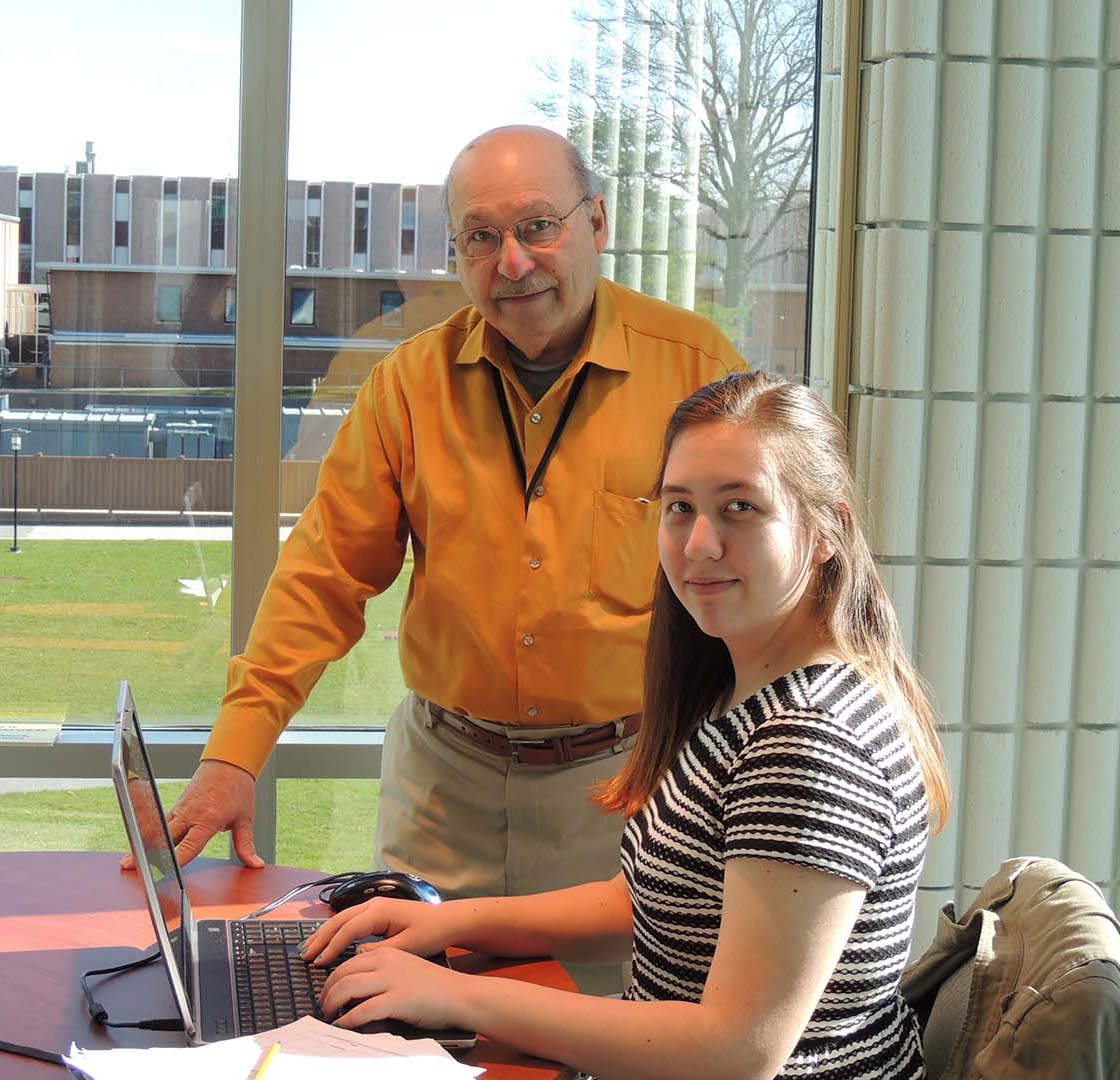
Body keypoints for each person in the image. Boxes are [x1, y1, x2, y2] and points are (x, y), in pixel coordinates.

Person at [134, 126, 746, 916]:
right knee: (408, 1025)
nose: (512, 262)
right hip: (442, 791)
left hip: (629, 788)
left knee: (596, 1030)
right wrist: (233, 757)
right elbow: (323, 578)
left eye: (537, 226)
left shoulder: (699, 371)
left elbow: (765, 582)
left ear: (596, 223)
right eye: (480, 238)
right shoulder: (407, 386)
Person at [297, 371, 952, 1080]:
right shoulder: (747, 690)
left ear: (829, 532)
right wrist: (451, 923)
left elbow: (737, 1051)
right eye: (680, 507)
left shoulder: (809, 742)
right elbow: (647, 897)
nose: (700, 543)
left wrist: (458, 994)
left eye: (740, 507)